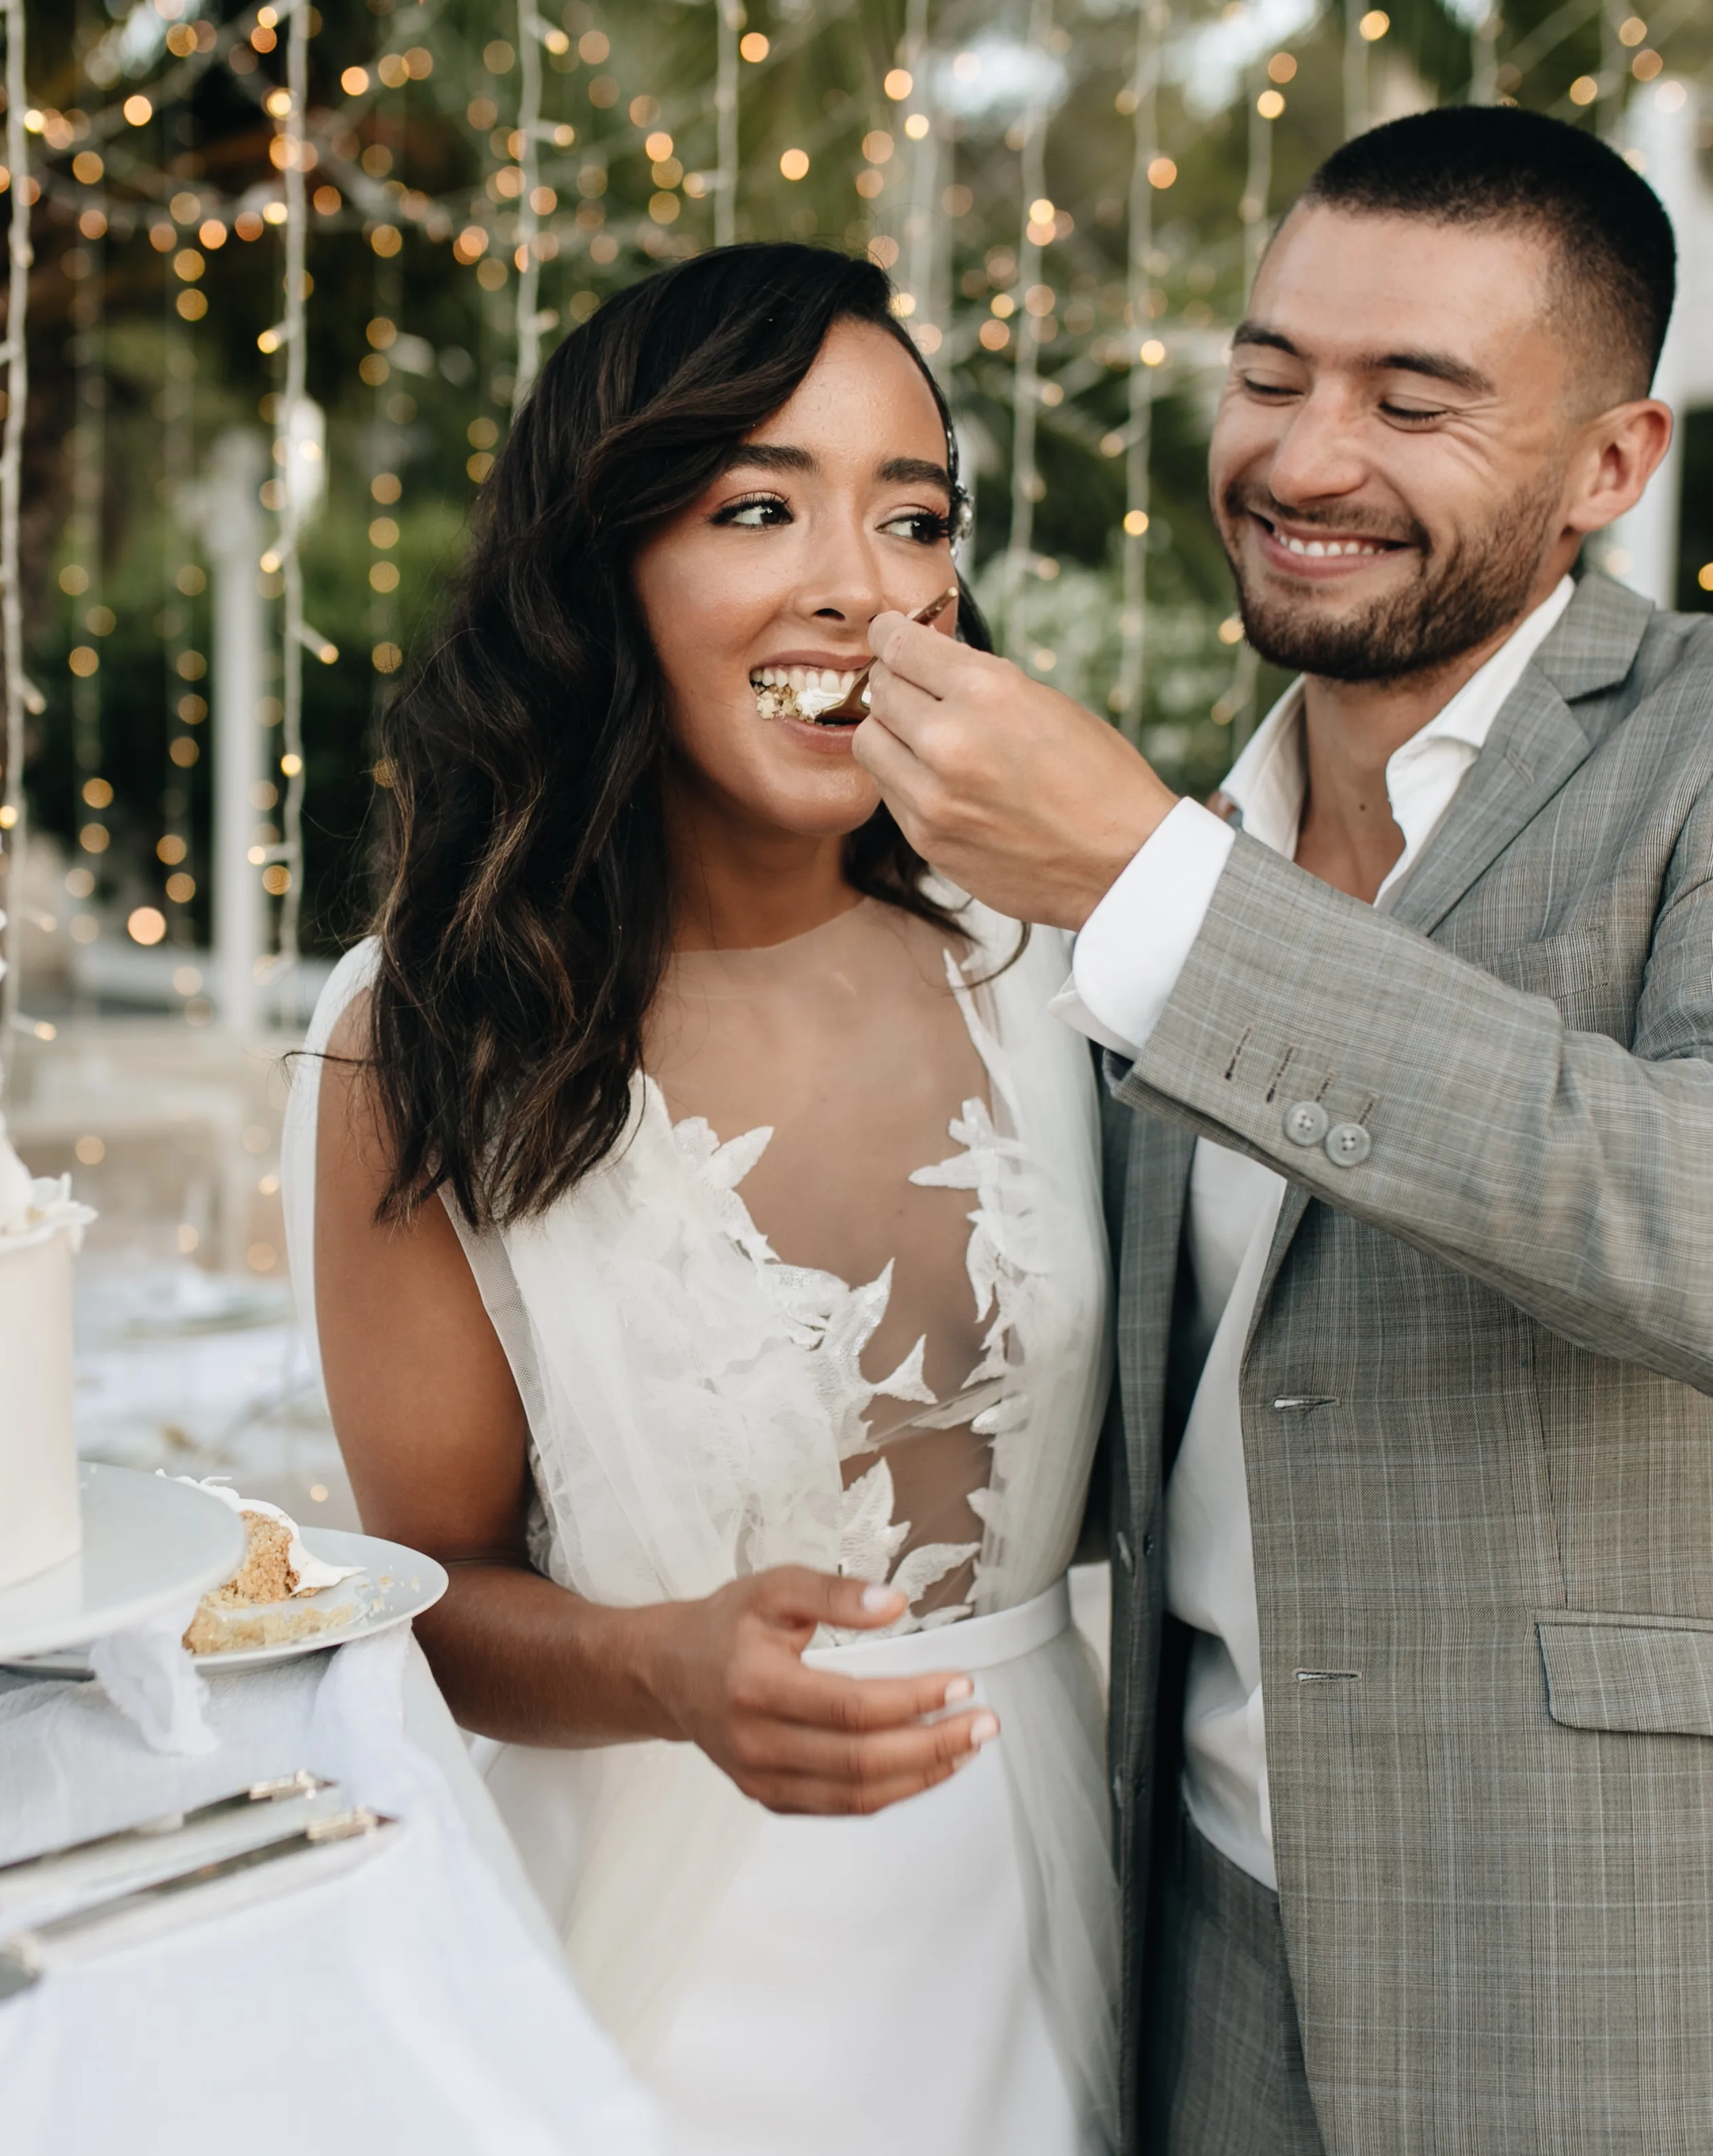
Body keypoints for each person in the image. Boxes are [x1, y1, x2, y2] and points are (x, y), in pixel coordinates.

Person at [853, 108, 1713, 2155]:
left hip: (1632, 1966)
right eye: (1269, 374)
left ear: (1611, 465)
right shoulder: (1179, 833)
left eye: (1413, 400)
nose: (1304, 460)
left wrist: (1157, 887)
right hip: (1204, 1951)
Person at [283, 244, 1117, 2156]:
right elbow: (425, 1593)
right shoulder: (426, 1031)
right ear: (607, 567)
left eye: (914, 517)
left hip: (1040, 1905)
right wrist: (661, 1665)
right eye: (758, 508)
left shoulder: (1052, 963)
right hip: (660, 1957)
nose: (860, 583)